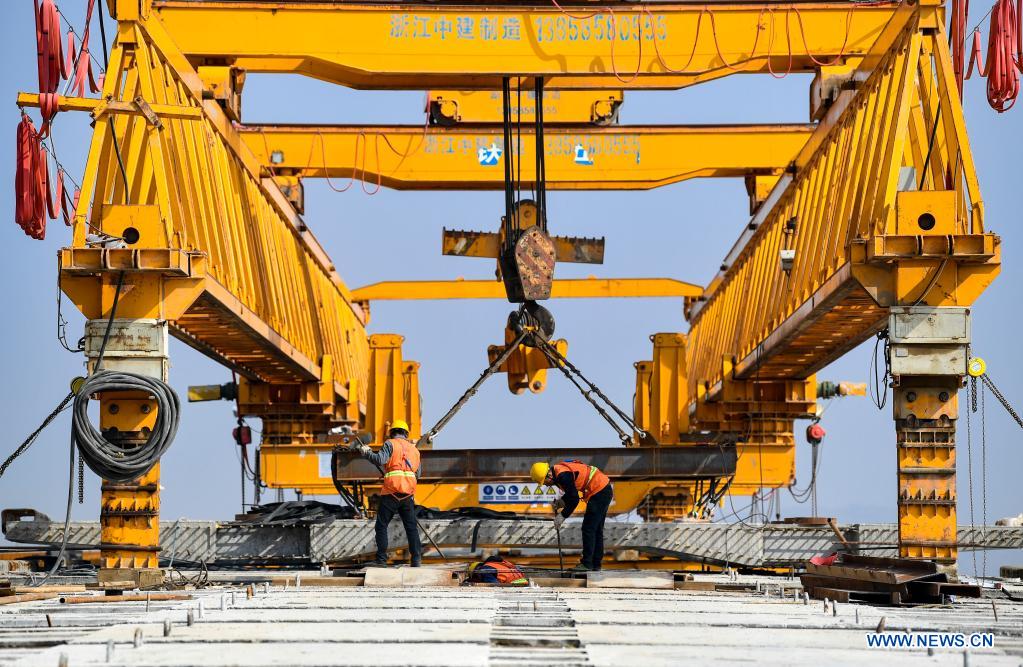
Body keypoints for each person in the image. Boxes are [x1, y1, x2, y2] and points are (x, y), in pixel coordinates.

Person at [358, 420, 422, 567]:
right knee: (411, 527)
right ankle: (416, 559)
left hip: (391, 492)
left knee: (381, 526)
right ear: (406, 433)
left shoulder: (390, 443)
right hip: (408, 494)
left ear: (392, 432)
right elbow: (418, 473)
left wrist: (367, 452)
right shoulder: (415, 450)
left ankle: (381, 560)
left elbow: (380, 460)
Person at [530, 459, 613, 572]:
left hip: (599, 491)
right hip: (602, 489)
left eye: (544, 482)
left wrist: (562, 516)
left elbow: (574, 500)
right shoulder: (559, 472)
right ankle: (595, 564)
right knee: (596, 530)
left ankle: (587, 564)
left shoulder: (563, 476)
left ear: (549, 475)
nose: (546, 485)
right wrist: (561, 502)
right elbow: (571, 493)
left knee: (589, 528)